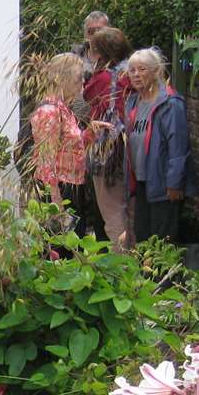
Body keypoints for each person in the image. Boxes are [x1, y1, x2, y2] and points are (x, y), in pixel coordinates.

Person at [124, 47, 195, 246]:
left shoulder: (171, 104)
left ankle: (165, 278)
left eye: (142, 69)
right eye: (132, 70)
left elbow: (178, 146)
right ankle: (145, 278)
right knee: (143, 235)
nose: (136, 75)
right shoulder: (133, 101)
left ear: (156, 72)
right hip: (142, 180)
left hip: (163, 183)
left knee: (162, 240)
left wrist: (174, 183)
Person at [82, 27, 133, 248]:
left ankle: (123, 269)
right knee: (129, 207)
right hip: (132, 144)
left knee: (111, 210)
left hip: (108, 149)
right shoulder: (132, 73)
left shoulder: (103, 78)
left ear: (100, 52)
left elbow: (87, 95)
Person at [30, 53, 88, 212]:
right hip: (59, 189)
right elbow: (45, 160)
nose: (82, 81)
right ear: (61, 79)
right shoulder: (50, 110)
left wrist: (89, 134)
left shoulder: (63, 107)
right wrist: (56, 202)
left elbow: (66, 145)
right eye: (78, 77)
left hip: (71, 185)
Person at [72, 10, 110, 75]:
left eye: (101, 31)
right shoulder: (73, 58)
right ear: (84, 34)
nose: (96, 35)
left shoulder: (118, 57)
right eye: (91, 31)